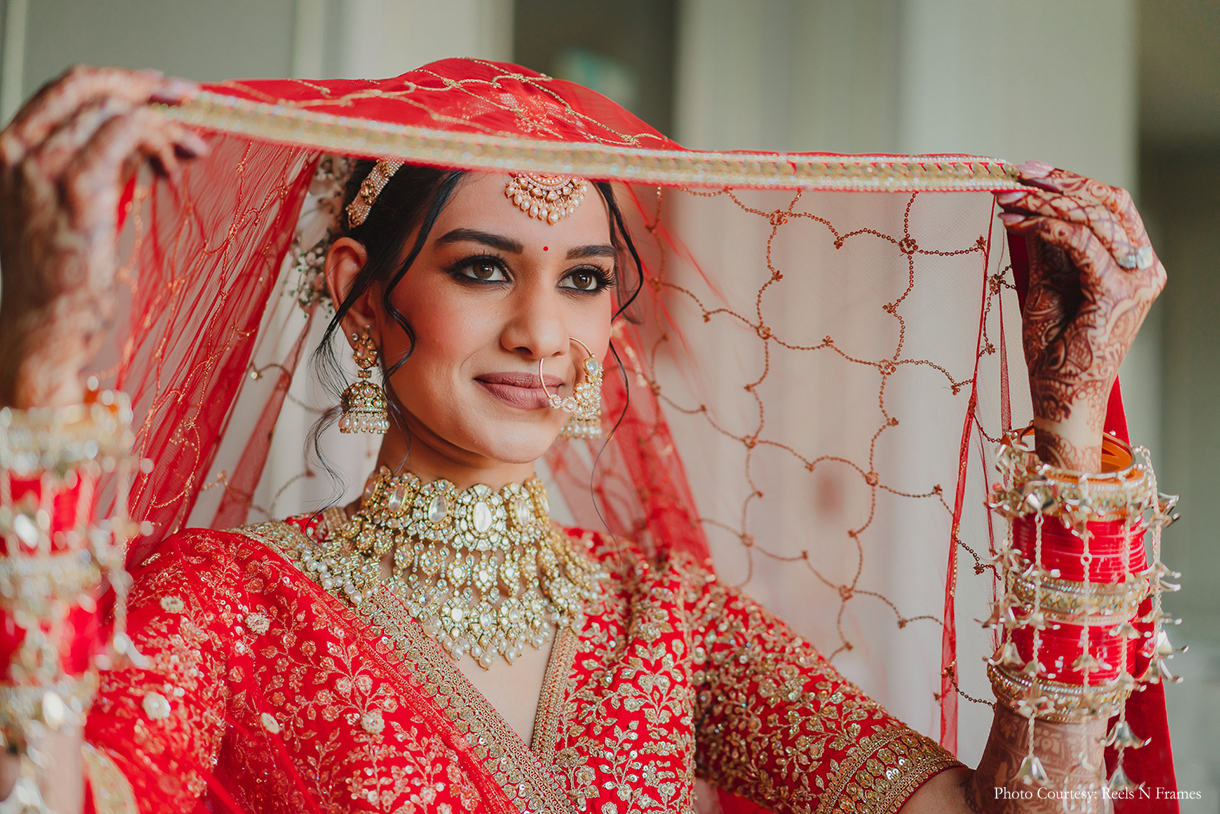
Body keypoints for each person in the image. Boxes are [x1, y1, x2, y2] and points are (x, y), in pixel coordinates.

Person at [0, 59, 1171, 814]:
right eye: (479, 268)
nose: (539, 331)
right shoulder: (227, 602)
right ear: (362, 295)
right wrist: (46, 368)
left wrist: (1067, 432)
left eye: (582, 280)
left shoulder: (668, 620)